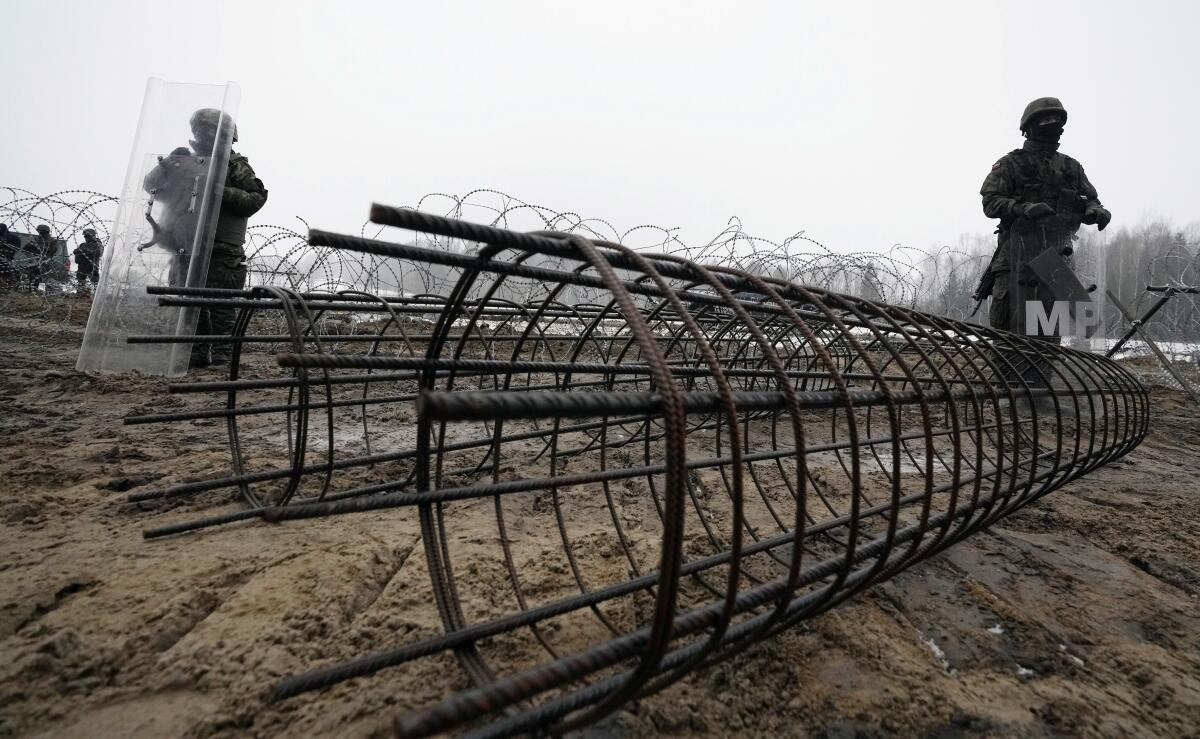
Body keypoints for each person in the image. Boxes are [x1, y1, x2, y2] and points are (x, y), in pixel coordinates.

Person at [977, 97, 1111, 343]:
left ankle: (1044, 381)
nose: (1053, 124)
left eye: (1057, 120)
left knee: (1049, 339)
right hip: (1016, 259)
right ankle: (1008, 382)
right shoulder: (1011, 164)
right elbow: (990, 202)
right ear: (1029, 127)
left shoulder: (1071, 167)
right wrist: (1022, 208)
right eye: (1045, 120)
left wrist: (1096, 211)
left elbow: (1091, 199)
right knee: (1010, 338)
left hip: (1057, 261)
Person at [188, 109, 268, 368]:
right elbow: (154, 187)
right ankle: (197, 353)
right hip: (189, 246)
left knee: (222, 307)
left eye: (206, 131)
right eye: (198, 131)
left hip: (223, 250)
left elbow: (256, 198)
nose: (201, 136)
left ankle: (223, 357)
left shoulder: (235, 166)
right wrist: (167, 170)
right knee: (190, 305)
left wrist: (220, 190)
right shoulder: (191, 162)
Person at [23, 224, 59, 289]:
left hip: (45, 262)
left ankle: (42, 291)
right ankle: (33, 290)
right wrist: (31, 256)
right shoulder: (35, 239)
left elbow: (52, 251)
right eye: (39, 231)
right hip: (34, 261)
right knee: (32, 277)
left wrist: (45, 256)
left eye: (42, 232)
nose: (40, 233)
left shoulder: (52, 241)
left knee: (44, 277)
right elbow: (25, 249)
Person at [73, 228, 103, 292]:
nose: (85, 237)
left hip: (91, 266)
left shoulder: (97, 244)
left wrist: (87, 251)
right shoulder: (83, 245)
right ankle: (81, 294)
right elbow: (75, 251)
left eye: (87, 236)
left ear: (92, 236)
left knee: (95, 283)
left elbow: (99, 253)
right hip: (82, 267)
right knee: (81, 283)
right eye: (85, 236)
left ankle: (96, 295)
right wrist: (81, 251)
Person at [0, 223, 19, 290]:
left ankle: (41, 290)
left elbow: (15, 248)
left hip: (7, 258)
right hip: (6, 258)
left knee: (6, 274)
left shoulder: (12, 237)